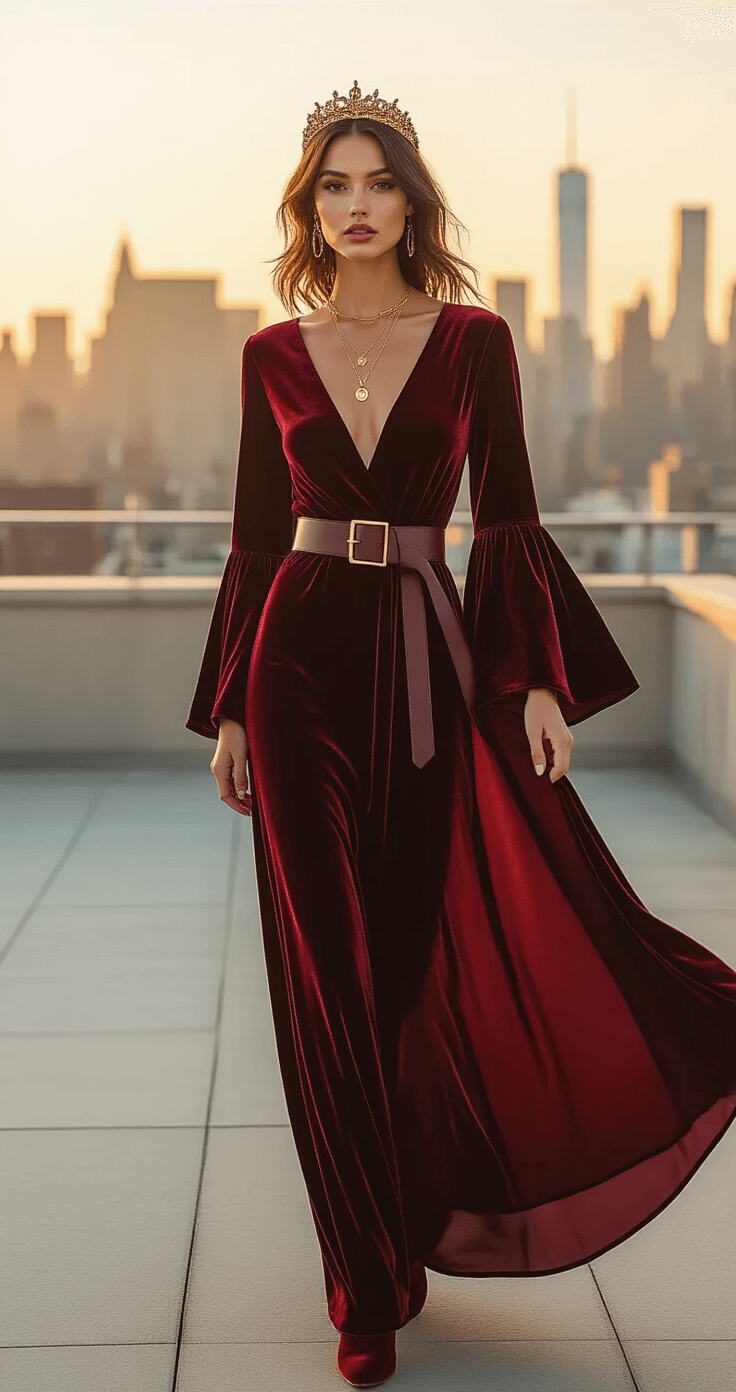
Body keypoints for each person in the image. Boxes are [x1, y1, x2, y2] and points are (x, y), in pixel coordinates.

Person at [186, 81, 736, 1390]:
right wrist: (226, 714)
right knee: (325, 971)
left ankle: (409, 1212)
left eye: (378, 182)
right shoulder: (270, 356)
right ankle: (364, 1283)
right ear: (309, 206)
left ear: (412, 198)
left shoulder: (478, 341)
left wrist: (537, 683)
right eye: (334, 185)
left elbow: (515, 522)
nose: (357, 205)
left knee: (401, 969)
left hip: (428, 656)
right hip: (298, 662)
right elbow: (258, 542)